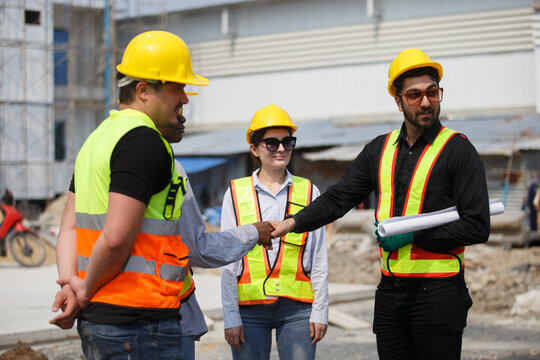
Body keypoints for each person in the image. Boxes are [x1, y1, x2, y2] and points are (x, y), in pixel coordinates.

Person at [48, 30, 273, 359]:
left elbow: (68, 227)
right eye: (177, 88)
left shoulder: (96, 140)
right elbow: (115, 238)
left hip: (103, 321)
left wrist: (71, 281)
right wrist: (81, 291)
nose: (184, 99)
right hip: (139, 323)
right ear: (143, 90)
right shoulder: (143, 141)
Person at [270, 49, 490, 360]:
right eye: (414, 95)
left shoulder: (459, 151)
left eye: (432, 92)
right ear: (399, 101)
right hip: (390, 293)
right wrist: (290, 224)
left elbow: (477, 226)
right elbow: (338, 197)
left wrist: (413, 236)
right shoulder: (379, 149)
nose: (426, 102)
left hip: (439, 293)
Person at [220, 104, 329, 360]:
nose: (281, 149)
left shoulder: (309, 191)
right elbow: (228, 261)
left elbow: (319, 257)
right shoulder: (235, 194)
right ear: (254, 149)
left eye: (287, 142)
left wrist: (320, 311)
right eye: (271, 143)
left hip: (297, 310)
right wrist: (230, 316)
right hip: (248, 310)